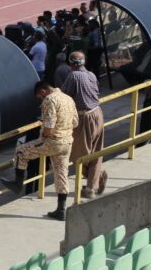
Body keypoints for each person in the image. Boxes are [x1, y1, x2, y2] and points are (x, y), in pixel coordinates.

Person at [2, 81, 78, 221]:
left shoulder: (50, 99)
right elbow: (75, 122)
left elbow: (49, 125)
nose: (41, 99)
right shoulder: (68, 98)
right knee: (61, 174)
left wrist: (44, 135)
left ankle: (17, 183)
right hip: (67, 142)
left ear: (43, 92)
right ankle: (61, 210)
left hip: (52, 141)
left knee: (20, 151)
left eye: (39, 97)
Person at [62, 52, 107, 198]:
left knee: (78, 154)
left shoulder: (73, 76)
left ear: (71, 64)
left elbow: (64, 97)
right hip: (97, 114)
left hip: (84, 117)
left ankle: (96, 179)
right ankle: (91, 187)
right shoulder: (92, 75)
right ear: (84, 62)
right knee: (96, 152)